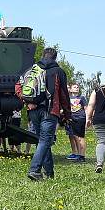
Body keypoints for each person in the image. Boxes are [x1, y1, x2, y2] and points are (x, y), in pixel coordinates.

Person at [26, 47, 70, 181]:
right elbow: (63, 95)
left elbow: (18, 86)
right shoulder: (58, 71)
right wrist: (67, 114)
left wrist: (26, 102)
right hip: (50, 111)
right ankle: (34, 170)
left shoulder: (32, 70)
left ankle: (49, 173)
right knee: (45, 141)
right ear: (55, 58)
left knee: (43, 142)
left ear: (43, 56)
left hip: (33, 110)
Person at [66, 83, 87, 162]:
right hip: (71, 119)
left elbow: (86, 108)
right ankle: (76, 153)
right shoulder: (68, 98)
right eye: (74, 87)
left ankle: (82, 155)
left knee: (80, 136)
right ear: (70, 89)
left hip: (80, 118)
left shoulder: (82, 98)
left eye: (77, 87)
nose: (76, 88)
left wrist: (88, 118)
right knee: (73, 136)